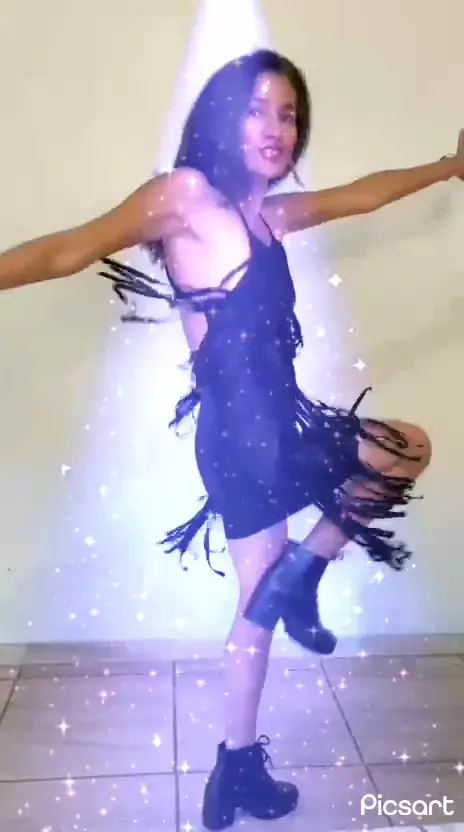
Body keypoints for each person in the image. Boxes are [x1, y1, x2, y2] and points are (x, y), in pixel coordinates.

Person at [0, 47, 461, 829]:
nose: (276, 128)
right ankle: (288, 613)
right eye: (256, 110)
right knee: (375, 478)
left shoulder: (265, 215)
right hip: (246, 439)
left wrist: (448, 167)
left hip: (274, 426)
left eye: (288, 114)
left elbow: (358, 195)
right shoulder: (182, 196)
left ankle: (241, 748)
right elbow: (64, 251)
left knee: (297, 561)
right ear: (221, 116)